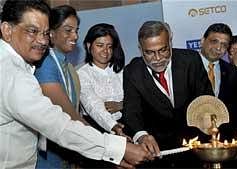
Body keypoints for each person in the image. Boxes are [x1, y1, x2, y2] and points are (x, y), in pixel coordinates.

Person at [0, 0, 152, 168]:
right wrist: (118, 149)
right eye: (33, 31)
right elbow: (58, 124)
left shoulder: (19, 66)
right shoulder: (12, 73)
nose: (42, 40)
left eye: (44, 33)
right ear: (7, 30)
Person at [121, 20, 213, 168]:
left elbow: (206, 102)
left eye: (163, 50)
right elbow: (131, 112)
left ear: (170, 42)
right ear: (140, 49)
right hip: (157, 154)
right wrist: (141, 135)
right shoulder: (132, 71)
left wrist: (208, 144)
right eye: (149, 52)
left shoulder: (191, 60)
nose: (157, 58)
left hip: (194, 150)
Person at [34, 5, 88, 168]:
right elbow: (68, 115)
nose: (75, 36)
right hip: (49, 156)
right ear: (51, 33)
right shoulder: (46, 64)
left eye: (76, 30)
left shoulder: (68, 66)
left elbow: (75, 108)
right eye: (68, 30)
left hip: (67, 150)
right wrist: (110, 145)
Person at [199, 23, 237, 167]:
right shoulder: (185, 67)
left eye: (224, 45)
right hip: (194, 150)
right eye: (214, 41)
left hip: (225, 152)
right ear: (202, 40)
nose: (219, 48)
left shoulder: (232, 72)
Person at [78, 23, 128, 137]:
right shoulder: (82, 74)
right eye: (100, 45)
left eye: (109, 46)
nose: (105, 51)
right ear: (88, 46)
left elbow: (136, 99)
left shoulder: (121, 71)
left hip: (127, 125)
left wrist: (121, 105)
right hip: (97, 130)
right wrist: (113, 126)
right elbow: (93, 105)